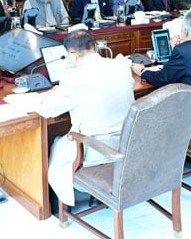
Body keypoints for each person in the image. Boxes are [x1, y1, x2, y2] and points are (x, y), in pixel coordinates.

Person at [40, 30, 134, 207]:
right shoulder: (121, 66)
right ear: (95, 46)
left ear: (73, 55)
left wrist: (53, 94)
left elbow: (49, 110)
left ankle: (61, 204)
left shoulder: (72, 78)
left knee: (56, 144)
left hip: (95, 150)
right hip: (127, 144)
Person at [131, 11, 191, 132]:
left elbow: (163, 79)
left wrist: (143, 71)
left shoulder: (183, 51)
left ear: (186, 31)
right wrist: (180, 46)